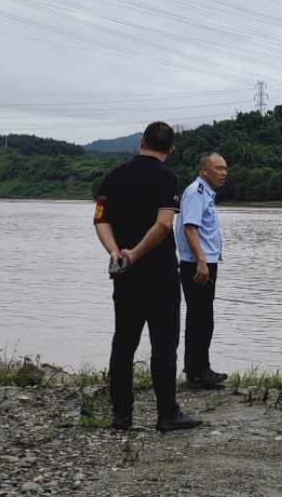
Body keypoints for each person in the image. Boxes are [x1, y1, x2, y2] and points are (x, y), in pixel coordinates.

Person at [92, 121, 200, 433]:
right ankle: (167, 414)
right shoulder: (167, 177)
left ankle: (121, 416)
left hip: (123, 275)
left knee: (123, 343)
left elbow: (100, 220)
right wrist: (137, 253)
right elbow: (165, 224)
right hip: (161, 276)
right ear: (171, 149)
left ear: (141, 141)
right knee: (164, 345)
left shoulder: (113, 176)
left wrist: (116, 253)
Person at [176, 151, 229, 389]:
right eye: (218, 168)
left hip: (204, 263)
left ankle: (197, 368)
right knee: (201, 317)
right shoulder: (196, 192)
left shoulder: (204, 193)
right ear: (204, 170)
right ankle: (199, 371)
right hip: (198, 265)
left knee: (202, 317)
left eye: (225, 168)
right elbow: (190, 228)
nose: (223, 173)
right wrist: (201, 261)